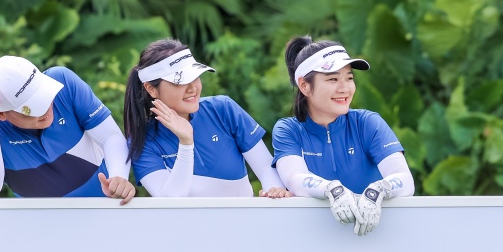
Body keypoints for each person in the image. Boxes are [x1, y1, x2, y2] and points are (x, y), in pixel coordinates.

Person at [271, 36, 414, 235]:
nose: (345, 88)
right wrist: (332, 190)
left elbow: (405, 180)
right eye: (333, 79)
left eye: (349, 78)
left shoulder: (367, 122)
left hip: (375, 237)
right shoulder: (288, 130)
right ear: (304, 86)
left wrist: (379, 190)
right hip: (313, 239)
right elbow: (294, 179)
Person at [124, 39, 289, 198]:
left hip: (246, 217)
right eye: (179, 81)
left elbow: (265, 167)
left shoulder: (223, 109)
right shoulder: (142, 139)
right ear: (151, 89)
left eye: (194, 77)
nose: (192, 88)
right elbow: (171, 200)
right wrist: (186, 143)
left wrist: (274, 191)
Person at [0, 56, 135, 203]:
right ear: (2, 114)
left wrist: (118, 176)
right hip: (39, 224)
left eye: (44, 95)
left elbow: (110, 136)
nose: (46, 109)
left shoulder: (62, 80)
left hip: (104, 208)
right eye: (31, 109)